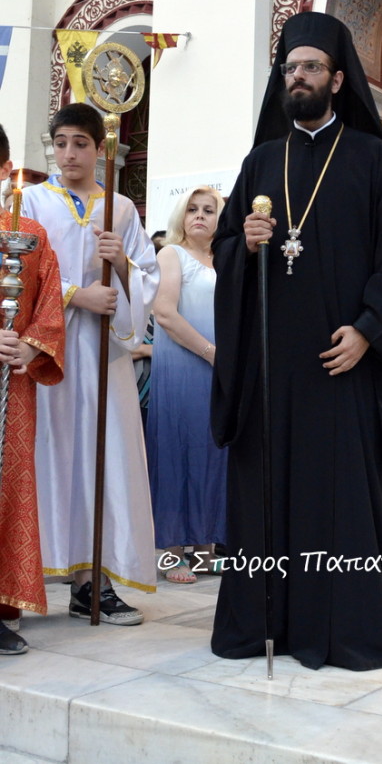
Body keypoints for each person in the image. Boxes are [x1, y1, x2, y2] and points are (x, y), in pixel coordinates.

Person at [210, 11, 382, 671]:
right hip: (271, 369)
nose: (298, 77)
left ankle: (344, 632)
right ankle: (262, 624)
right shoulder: (261, 161)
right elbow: (223, 251)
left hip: (342, 366)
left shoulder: (369, 157)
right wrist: (244, 245)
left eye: (311, 67)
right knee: (266, 495)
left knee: (336, 499)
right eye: (290, 68)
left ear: (337, 80)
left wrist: (367, 330)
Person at [22, 103, 159, 625]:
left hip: (105, 358)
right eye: (60, 144)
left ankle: (92, 583)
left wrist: (121, 263)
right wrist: (76, 295)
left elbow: (147, 278)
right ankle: (22, 581)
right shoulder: (32, 201)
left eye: (80, 143)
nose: (68, 154)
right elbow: (19, 270)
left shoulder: (119, 208)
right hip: (47, 353)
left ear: (100, 150)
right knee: (50, 456)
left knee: (103, 459)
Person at [0, 124, 65, 654]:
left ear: (4, 171)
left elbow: (48, 304)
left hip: (12, 385)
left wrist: (31, 346)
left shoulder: (30, 235)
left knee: (8, 489)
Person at [147, 187, 227, 583]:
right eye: (192, 209)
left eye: (209, 210)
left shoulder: (226, 260)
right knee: (177, 451)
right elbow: (164, 313)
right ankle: (172, 552)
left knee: (213, 451)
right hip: (183, 366)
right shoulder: (171, 254)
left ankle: (205, 548)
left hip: (221, 369)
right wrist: (211, 353)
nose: (199, 215)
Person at [132, 231, 166, 433]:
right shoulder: (137, 301)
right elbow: (120, 348)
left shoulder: (184, 304)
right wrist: (149, 350)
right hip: (137, 398)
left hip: (168, 395)